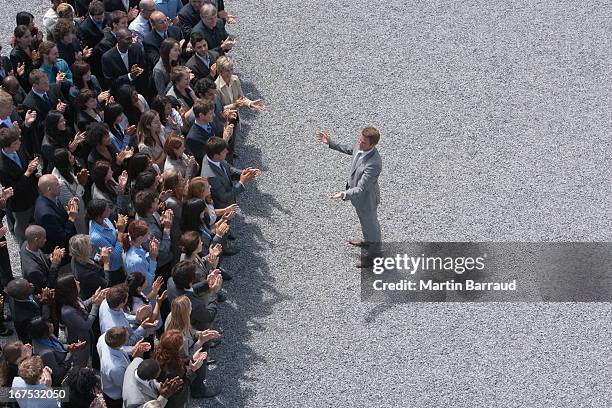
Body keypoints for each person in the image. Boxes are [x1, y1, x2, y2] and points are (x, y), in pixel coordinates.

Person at [315, 127, 383, 267]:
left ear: (373, 145)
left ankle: (374, 257)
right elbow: (349, 149)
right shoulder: (361, 146)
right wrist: (330, 143)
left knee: (371, 227)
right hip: (359, 198)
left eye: (363, 143)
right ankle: (367, 242)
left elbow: (362, 188)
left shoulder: (374, 163)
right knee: (365, 223)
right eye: (360, 140)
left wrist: (344, 194)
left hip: (366, 200)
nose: (360, 144)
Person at [165, 296, 220, 397]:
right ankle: (198, 389)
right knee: (201, 357)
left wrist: (200, 333)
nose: (192, 308)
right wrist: (200, 341)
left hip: (182, 351)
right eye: (190, 307)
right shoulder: (181, 339)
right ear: (186, 313)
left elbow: (189, 331)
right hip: (181, 363)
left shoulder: (172, 316)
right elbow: (188, 357)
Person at [53, 275, 108, 367]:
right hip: (80, 343)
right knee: (81, 363)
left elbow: (83, 305)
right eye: (75, 282)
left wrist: (94, 297)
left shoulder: (74, 298)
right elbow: (86, 326)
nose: (78, 282)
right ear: (70, 289)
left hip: (86, 338)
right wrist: (96, 305)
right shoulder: (67, 312)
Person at [0, 127, 39, 244]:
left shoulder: (19, 148)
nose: (20, 143)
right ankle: (22, 245)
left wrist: (33, 167)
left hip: (32, 191)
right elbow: (13, 188)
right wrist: (27, 173)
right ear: (8, 146)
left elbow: (27, 159)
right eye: (16, 143)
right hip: (20, 202)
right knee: (21, 225)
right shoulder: (2, 166)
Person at [200, 136, 260, 209]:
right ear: (216, 155)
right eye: (224, 151)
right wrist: (241, 182)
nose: (227, 151)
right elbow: (224, 197)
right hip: (222, 208)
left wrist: (244, 172)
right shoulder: (211, 177)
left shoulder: (210, 156)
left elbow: (228, 168)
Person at [97, 326, 150, 408]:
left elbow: (119, 349)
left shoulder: (103, 338)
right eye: (127, 337)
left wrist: (133, 349)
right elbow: (127, 384)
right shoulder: (116, 368)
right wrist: (137, 358)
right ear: (123, 342)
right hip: (116, 398)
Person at [153, 329, 208, 405]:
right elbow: (181, 388)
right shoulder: (170, 371)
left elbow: (180, 360)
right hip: (175, 401)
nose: (184, 341)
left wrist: (192, 358)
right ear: (177, 349)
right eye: (182, 343)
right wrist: (192, 370)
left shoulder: (160, 353)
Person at [29, 315, 87, 386]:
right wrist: (71, 353)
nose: (52, 325)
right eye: (49, 326)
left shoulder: (46, 335)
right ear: (43, 331)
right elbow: (58, 374)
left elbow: (59, 345)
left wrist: (69, 347)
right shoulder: (46, 353)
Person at [22, 70, 67, 155]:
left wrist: (63, 107)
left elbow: (66, 103)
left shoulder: (54, 88)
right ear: (35, 85)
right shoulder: (29, 103)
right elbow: (38, 126)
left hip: (64, 131)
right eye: (44, 83)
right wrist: (56, 113)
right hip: (50, 140)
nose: (47, 84)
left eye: (47, 81)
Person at [133, 190, 174, 286]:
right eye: (156, 201)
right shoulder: (148, 232)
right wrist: (167, 228)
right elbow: (163, 251)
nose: (158, 201)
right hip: (162, 264)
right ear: (150, 208)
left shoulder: (143, 212)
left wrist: (160, 208)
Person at [166, 261, 220, 331]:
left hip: (179, 316)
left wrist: (207, 283)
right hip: (192, 324)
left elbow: (188, 290)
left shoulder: (171, 281)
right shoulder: (194, 305)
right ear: (191, 281)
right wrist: (214, 293)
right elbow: (209, 316)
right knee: (205, 324)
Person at [33, 174, 79, 255]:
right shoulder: (46, 214)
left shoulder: (51, 198)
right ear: (49, 189)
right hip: (63, 255)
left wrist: (69, 210)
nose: (60, 185)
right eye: (57, 184)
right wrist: (71, 218)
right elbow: (62, 238)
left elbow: (59, 218)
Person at [88, 199, 128, 285]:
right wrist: (121, 231)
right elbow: (115, 255)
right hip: (113, 269)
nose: (109, 210)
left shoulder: (105, 220)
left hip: (120, 262)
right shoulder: (96, 237)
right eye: (106, 209)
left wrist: (119, 227)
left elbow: (113, 233)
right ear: (99, 215)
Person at [101, 28, 150, 96]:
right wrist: (130, 76)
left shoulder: (137, 48)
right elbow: (111, 82)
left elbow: (144, 68)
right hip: (121, 95)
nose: (130, 41)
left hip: (139, 92)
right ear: (118, 39)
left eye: (131, 38)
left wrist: (140, 71)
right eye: (127, 39)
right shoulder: (107, 58)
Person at [51, 149, 88, 233]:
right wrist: (81, 183)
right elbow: (73, 203)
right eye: (70, 157)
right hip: (75, 215)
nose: (73, 157)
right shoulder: (60, 184)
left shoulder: (65, 168)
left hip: (81, 209)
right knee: (81, 232)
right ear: (65, 162)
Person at [19, 225, 64, 293]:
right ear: (36, 240)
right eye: (44, 238)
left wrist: (52, 255)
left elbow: (40, 256)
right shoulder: (33, 270)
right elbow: (48, 286)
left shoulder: (27, 244)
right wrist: (55, 264)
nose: (45, 240)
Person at [122, 219, 159, 292]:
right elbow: (149, 281)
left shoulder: (130, 244)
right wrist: (153, 258)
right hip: (146, 292)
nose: (150, 235)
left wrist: (151, 252)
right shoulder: (136, 261)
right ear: (140, 238)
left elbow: (142, 255)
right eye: (148, 234)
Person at [69, 234, 110, 300]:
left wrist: (100, 260)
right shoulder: (85, 274)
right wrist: (106, 262)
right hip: (97, 296)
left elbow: (93, 266)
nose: (91, 245)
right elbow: (106, 284)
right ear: (84, 251)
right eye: (89, 244)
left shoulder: (76, 258)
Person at [185, 99, 216, 165]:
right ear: (201, 115)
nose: (214, 115)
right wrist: (225, 140)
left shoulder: (210, 122)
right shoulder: (193, 138)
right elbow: (206, 158)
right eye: (211, 113)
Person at [10, 26, 39, 91]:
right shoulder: (15, 55)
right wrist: (33, 63)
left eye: (30, 35)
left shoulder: (31, 44)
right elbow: (21, 76)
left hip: (38, 76)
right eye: (26, 37)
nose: (30, 38)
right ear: (18, 38)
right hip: (28, 85)